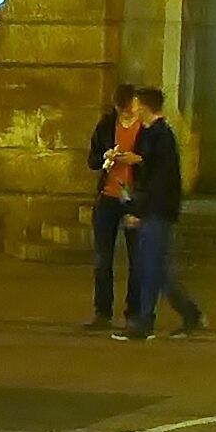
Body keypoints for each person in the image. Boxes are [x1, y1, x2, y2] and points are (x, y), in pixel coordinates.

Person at [112, 87, 207, 340]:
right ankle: (190, 315)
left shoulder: (160, 136)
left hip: (157, 212)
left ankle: (145, 323)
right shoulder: (152, 134)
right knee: (159, 270)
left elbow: (159, 181)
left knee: (150, 268)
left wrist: (139, 211)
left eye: (137, 104)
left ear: (144, 106)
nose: (134, 109)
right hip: (155, 209)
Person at [82, 82, 138, 331]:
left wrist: (137, 160)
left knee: (137, 258)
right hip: (108, 195)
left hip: (135, 198)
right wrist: (106, 156)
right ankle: (102, 311)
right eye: (123, 111)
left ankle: (134, 313)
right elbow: (92, 160)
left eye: (130, 110)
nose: (127, 115)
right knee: (103, 258)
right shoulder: (106, 126)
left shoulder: (146, 128)